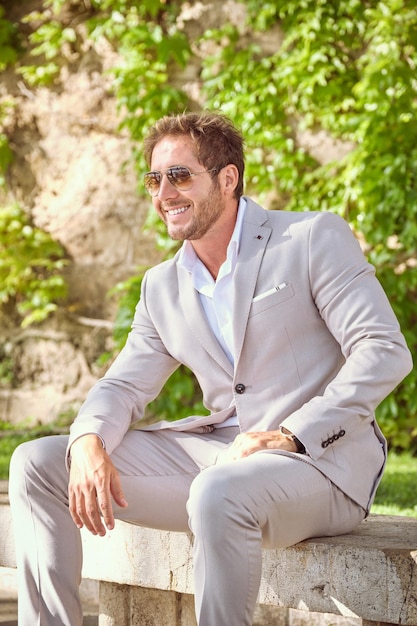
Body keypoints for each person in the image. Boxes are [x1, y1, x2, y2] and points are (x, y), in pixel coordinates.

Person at [9, 111, 412, 626]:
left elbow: (383, 348)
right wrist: (88, 438)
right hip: (219, 458)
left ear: (228, 178)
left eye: (179, 175)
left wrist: (292, 434)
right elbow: (123, 384)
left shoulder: (310, 238)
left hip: (320, 468)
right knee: (39, 462)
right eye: (155, 179)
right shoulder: (161, 286)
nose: (164, 192)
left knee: (217, 491)